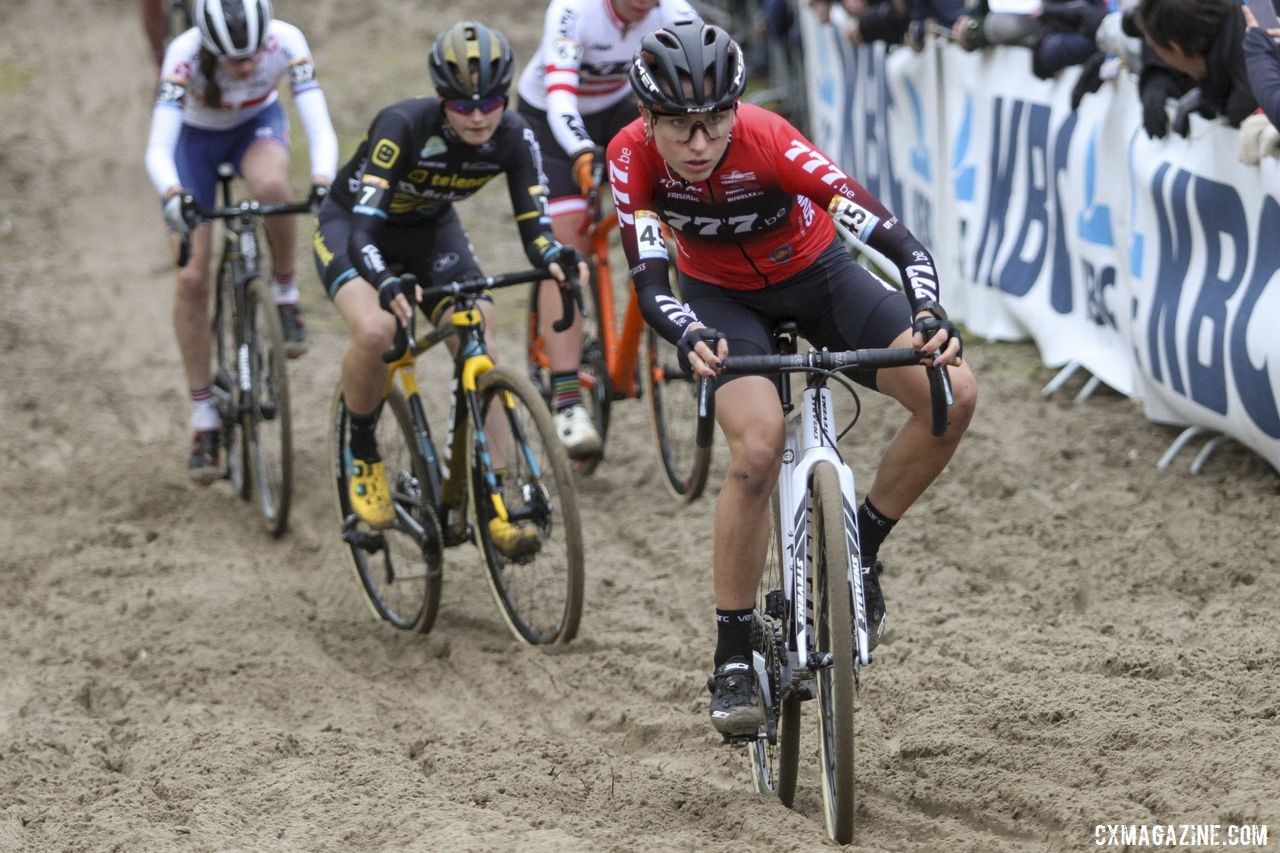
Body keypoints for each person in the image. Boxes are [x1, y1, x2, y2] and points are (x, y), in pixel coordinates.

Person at [607, 21, 976, 737]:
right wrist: (687, 333)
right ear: (647, 119)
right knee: (756, 449)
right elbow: (651, 281)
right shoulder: (630, 158)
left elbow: (894, 237)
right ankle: (733, 650)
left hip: (821, 279)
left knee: (953, 394)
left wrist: (928, 307)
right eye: (679, 126)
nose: (700, 141)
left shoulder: (770, 139)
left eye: (715, 119)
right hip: (721, 303)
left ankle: (861, 548)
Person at [313, 21, 586, 552]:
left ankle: (498, 494)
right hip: (353, 228)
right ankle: (363, 452)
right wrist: (385, 279)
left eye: (491, 101)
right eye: (463, 105)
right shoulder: (402, 126)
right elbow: (364, 230)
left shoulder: (514, 136)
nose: (479, 114)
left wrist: (552, 256)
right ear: (442, 100)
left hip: (431, 231)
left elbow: (535, 228)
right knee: (376, 330)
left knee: (478, 328)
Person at [145, 0, 338, 482]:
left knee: (274, 189)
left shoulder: (287, 41)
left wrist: (321, 179)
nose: (250, 65)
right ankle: (204, 418)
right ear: (209, 47)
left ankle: (286, 291)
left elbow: (318, 120)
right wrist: (173, 194)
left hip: (256, 128)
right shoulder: (183, 55)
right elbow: (158, 147)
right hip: (194, 144)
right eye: (235, 60)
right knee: (191, 276)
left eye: (254, 53)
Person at [514, 0, 698, 459]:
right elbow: (560, 96)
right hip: (551, 120)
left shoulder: (677, 13)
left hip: (622, 110)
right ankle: (567, 398)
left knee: (682, 210)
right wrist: (581, 151)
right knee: (569, 251)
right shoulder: (573, 11)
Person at [1135, 0, 1258, 137]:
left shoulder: (1251, 95)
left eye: (1157, 51)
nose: (1160, 58)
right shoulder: (1243, 30)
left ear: (1176, 50)